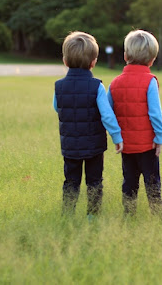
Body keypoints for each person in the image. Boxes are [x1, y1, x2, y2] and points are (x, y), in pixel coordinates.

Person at [53, 31, 123, 218]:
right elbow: (107, 115)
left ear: (65, 61)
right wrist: (117, 136)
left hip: (70, 145)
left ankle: (67, 215)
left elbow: (57, 107)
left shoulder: (59, 86)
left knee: (71, 181)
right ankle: (92, 216)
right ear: (94, 62)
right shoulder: (96, 86)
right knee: (94, 181)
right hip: (94, 146)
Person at [108, 30, 162, 216]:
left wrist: (116, 135)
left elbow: (108, 113)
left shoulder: (115, 83)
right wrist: (159, 137)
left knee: (129, 182)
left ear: (125, 56)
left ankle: (129, 214)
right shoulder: (150, 81)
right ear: (152, 60)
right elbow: (155, 114)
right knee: (152, 182)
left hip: (126, 146)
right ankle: (158, 214)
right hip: (148, 146)